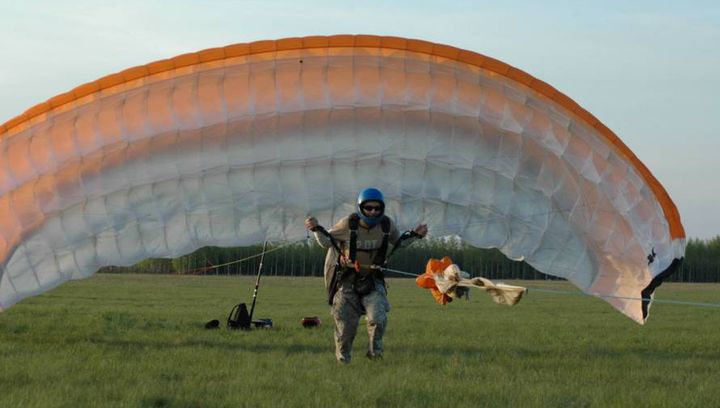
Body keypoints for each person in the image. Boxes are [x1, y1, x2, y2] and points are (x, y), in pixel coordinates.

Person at [304, 187, 428, 363]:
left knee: (378, 318)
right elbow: (326, 242)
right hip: (347, 281)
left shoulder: (386, 225)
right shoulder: (348, 224)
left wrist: (416, 236)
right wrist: (315, 228)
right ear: (361, 208)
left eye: (377, 208)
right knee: (346, 325)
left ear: (382, 208)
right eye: (368, 208)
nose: (373, 212)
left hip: (373, 280)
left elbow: (399, 242)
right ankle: (343, 360)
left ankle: (375, 355)